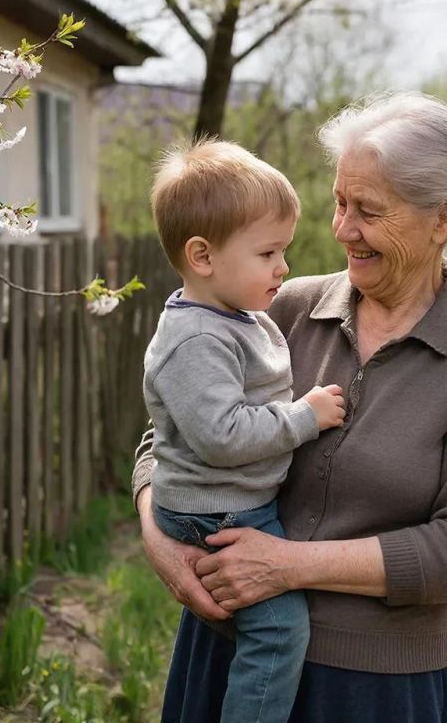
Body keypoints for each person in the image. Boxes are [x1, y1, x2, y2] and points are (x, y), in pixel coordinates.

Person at [133, 92, 447, 723]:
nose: (342, 228)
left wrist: (288, 567)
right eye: (340, 202)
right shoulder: (281, 307)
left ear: (443, 218)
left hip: (376, 689)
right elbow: (170, 436)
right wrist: (160, 540)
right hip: (229, 660)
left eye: (368, 210)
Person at [143, 139, 346, 723]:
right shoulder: (197, 340)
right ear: (202, 257)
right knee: (278, 633)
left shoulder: (234, 315)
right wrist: (305, 417)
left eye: (283, 250)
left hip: (229, 501)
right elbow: (222, 434)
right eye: (268, 253)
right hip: (219, 511)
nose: (284, 267)